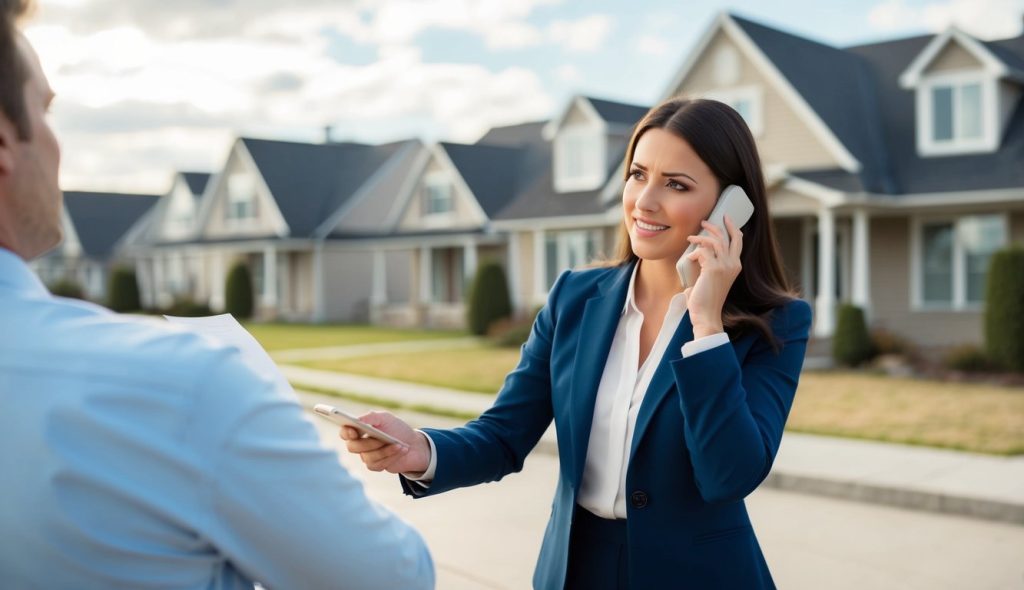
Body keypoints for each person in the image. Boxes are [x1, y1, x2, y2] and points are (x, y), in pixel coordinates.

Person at [0, 2, 434, 588]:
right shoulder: (182, 388)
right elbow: (392, 577)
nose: (58, 145)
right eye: (47, 112)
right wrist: (287, 464)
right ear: (5, 141)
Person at [342, 96, 812, 589]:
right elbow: (504, 435)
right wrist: (418, 450)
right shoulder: (575, 298)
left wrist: (706, 325)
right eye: (638, 174)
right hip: (576, 570)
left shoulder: (776, 323)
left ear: (729, 208)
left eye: (676, 184)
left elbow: (728, 477)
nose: (645, 201)